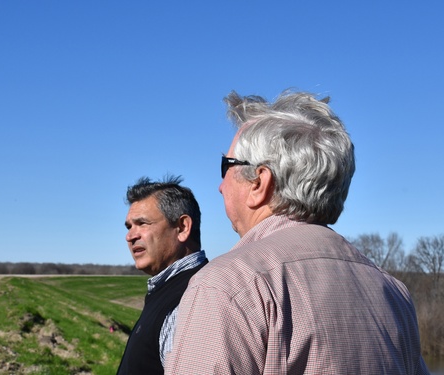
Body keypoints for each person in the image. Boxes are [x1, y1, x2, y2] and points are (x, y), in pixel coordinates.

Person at [165, 90, 429, 374]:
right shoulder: (393, 292)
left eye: (226, 166)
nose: (220, 185)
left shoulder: (227, 286)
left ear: (258, 183)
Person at [116, 175, 208, 375]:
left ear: (182, 228)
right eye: (129, 226)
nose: (130, 236)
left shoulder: (194, 298)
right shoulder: (167, 289)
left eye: (142, 223)